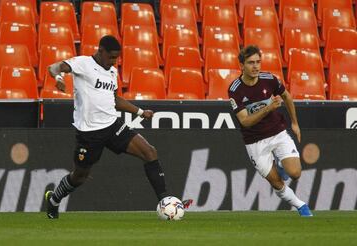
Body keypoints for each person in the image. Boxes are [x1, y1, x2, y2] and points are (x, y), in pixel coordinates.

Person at [45, 35, 192, 219]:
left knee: (150, 152)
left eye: (116, 58)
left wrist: (140, 112)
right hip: (89, 134)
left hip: (112, 125)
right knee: (79, 176)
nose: (114, 61)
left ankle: (166, 202)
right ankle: (54, 200)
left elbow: (115, 100)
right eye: (111, 57)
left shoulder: (112, 72)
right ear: (101, 51)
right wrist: (59, 77)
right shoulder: (83, 63)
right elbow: (53, 67)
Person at [228, 45, 313, 217]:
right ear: (241, 66)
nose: (256, 67)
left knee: (295, 173)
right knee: (276, 182)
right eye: (251, 63)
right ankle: (301, 206)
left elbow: (287, 96)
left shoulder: (270, 79)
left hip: (277, 132)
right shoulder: (235, 89)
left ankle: (281, 164)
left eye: (258, 62)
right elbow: (245, 121)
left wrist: (295, 123)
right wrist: (268, 108)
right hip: (255, 141)